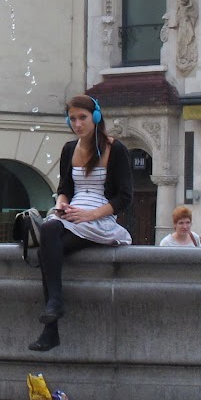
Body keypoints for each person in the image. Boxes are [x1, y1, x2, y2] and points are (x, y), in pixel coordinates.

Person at [29, 94, 133, 352]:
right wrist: (61, 204)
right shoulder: (68, 149)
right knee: (50, 231)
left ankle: (52, 324)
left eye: (83, 117)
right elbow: (64, 188)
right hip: (72, 214)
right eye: (73, 118)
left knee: (46, 249)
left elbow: (124, 197)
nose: (77, 124)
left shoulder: (115, 149)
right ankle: (54, 307)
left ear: (95, 117)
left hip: (99, 217)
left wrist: (90, 215)